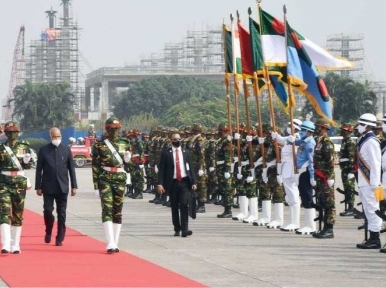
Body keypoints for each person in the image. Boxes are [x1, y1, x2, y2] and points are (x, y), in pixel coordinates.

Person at [92, 117, 131, 253]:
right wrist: (96, 186)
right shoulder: (99, 145)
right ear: (107, 129)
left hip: (120, 178)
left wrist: (128, 160)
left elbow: (129, 165)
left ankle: (116, 241)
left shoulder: (125, 143)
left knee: (118, 210)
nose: (114, 131)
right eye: (111, 129)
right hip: (105, 179)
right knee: (107, 209)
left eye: (116, 129)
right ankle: (110, 242)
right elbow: (95, 166)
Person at [35, 127, 77, 247]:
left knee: (62, 213)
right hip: (48, 186)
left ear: (61, 137)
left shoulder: (66, 150)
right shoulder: (43, 150)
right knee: (48, 211)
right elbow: (39, 170)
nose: (56, 139)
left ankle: (60, 237)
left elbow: (71, 169)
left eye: (58, 137)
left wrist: (74, 186)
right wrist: (38, 186)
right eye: (54, 137)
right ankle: (48, 230)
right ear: (50, 137)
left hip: (63, 186)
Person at [0, 122, 33, 254]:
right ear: (5, 133)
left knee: (18, 214)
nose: (12, 134)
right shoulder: (1, 148)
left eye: (14, 131)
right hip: (4, 183)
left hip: (19, 182)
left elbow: (29, 165)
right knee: (4, 211)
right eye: (9, 131)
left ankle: (16, 245)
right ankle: (6, 244)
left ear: (18, 133)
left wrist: (26, 161)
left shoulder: (24, 147)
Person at [157, 133, 197, 237]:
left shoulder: (186, 152)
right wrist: (160, 183)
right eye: (175, 139)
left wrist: (194, 182)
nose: (177, 141)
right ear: (171, 140)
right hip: (172, 182)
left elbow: (191, 168)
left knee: (184, 205)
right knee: (174, 207)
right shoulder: (166, 153)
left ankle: (185, 229)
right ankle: (177, 228)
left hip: (184, 182)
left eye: (179, 139)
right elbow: (162, 170)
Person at [355, 113, 383, 249]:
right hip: (364, 182)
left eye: (361, 124)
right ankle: (371, 237)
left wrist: (374, 184)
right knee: (367, 209)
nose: (358, 127)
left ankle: (375, 239)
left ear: (367, 126)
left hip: (371, 183)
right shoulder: (364, 139)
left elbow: (376, 163)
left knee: (373, 209)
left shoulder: (371, 141)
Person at [312, 119, 336, 239]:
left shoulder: (327, 143)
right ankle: (323, 228)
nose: (316, 129)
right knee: (322, 202)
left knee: (329, 204)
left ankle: (329, 229)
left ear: (323, 128)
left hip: (326, 178)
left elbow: (330, 162)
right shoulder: (319, 142)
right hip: (320, 177)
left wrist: (330, 177)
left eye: (317, 127)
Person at [338, 124, 356, 217]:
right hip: (344, 169)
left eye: (344, 130)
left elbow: (351, 157)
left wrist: (351, 171)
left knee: (350, 189)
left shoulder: (350, 142)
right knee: (346, 189)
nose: (342, 131)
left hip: (349, 170)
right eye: (342, 130)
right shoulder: (344, 141)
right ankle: (348, 207)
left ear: (349, 132)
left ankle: (351, 208)